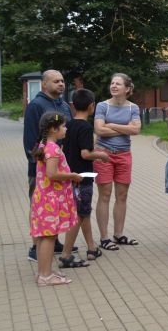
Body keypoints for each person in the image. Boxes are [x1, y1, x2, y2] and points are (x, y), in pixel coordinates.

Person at [24, 70, 73, 262]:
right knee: (40, 207)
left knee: (55, 207)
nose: (61, 84)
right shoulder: (36, 105)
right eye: (56, 81)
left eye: (62, 81)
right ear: (44, 84)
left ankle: (54, 241)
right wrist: (41, 164)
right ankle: (37, 247)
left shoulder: (64, 106)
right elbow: (30, 141)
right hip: (42, 170)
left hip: (60, 167)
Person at [30, 112, 82, 286]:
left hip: (44, 198)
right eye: (63, 126)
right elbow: (52, 174)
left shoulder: (44, 144)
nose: (66, 129)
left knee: (45, 236)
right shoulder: (53, 148)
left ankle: (44, 273)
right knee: (49, 236)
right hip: (50, 199)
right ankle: (45, 276)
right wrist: (72, 175)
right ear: (53, 129)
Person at [60, 89, 109, 267]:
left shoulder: (69, 125)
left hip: (69, 176)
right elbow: (86, 154)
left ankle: (91, 248)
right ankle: (66, 254)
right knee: (79, 215)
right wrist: (102, 155)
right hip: (83, 178)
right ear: (91, 106)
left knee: (84, 212)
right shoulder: (86, 127)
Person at [94, 73, 141, 251]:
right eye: (112, 83)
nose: (113, 86)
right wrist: (124, 129)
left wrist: (111, 125)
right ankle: (104, 238)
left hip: (124, 154)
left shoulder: (133, 108)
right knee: (105, 195)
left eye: (118, 84)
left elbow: (136, 130)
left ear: (127, 89)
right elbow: (99, 129)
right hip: (103, 154)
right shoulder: (102, 106)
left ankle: (119, 234)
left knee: (122, 196)